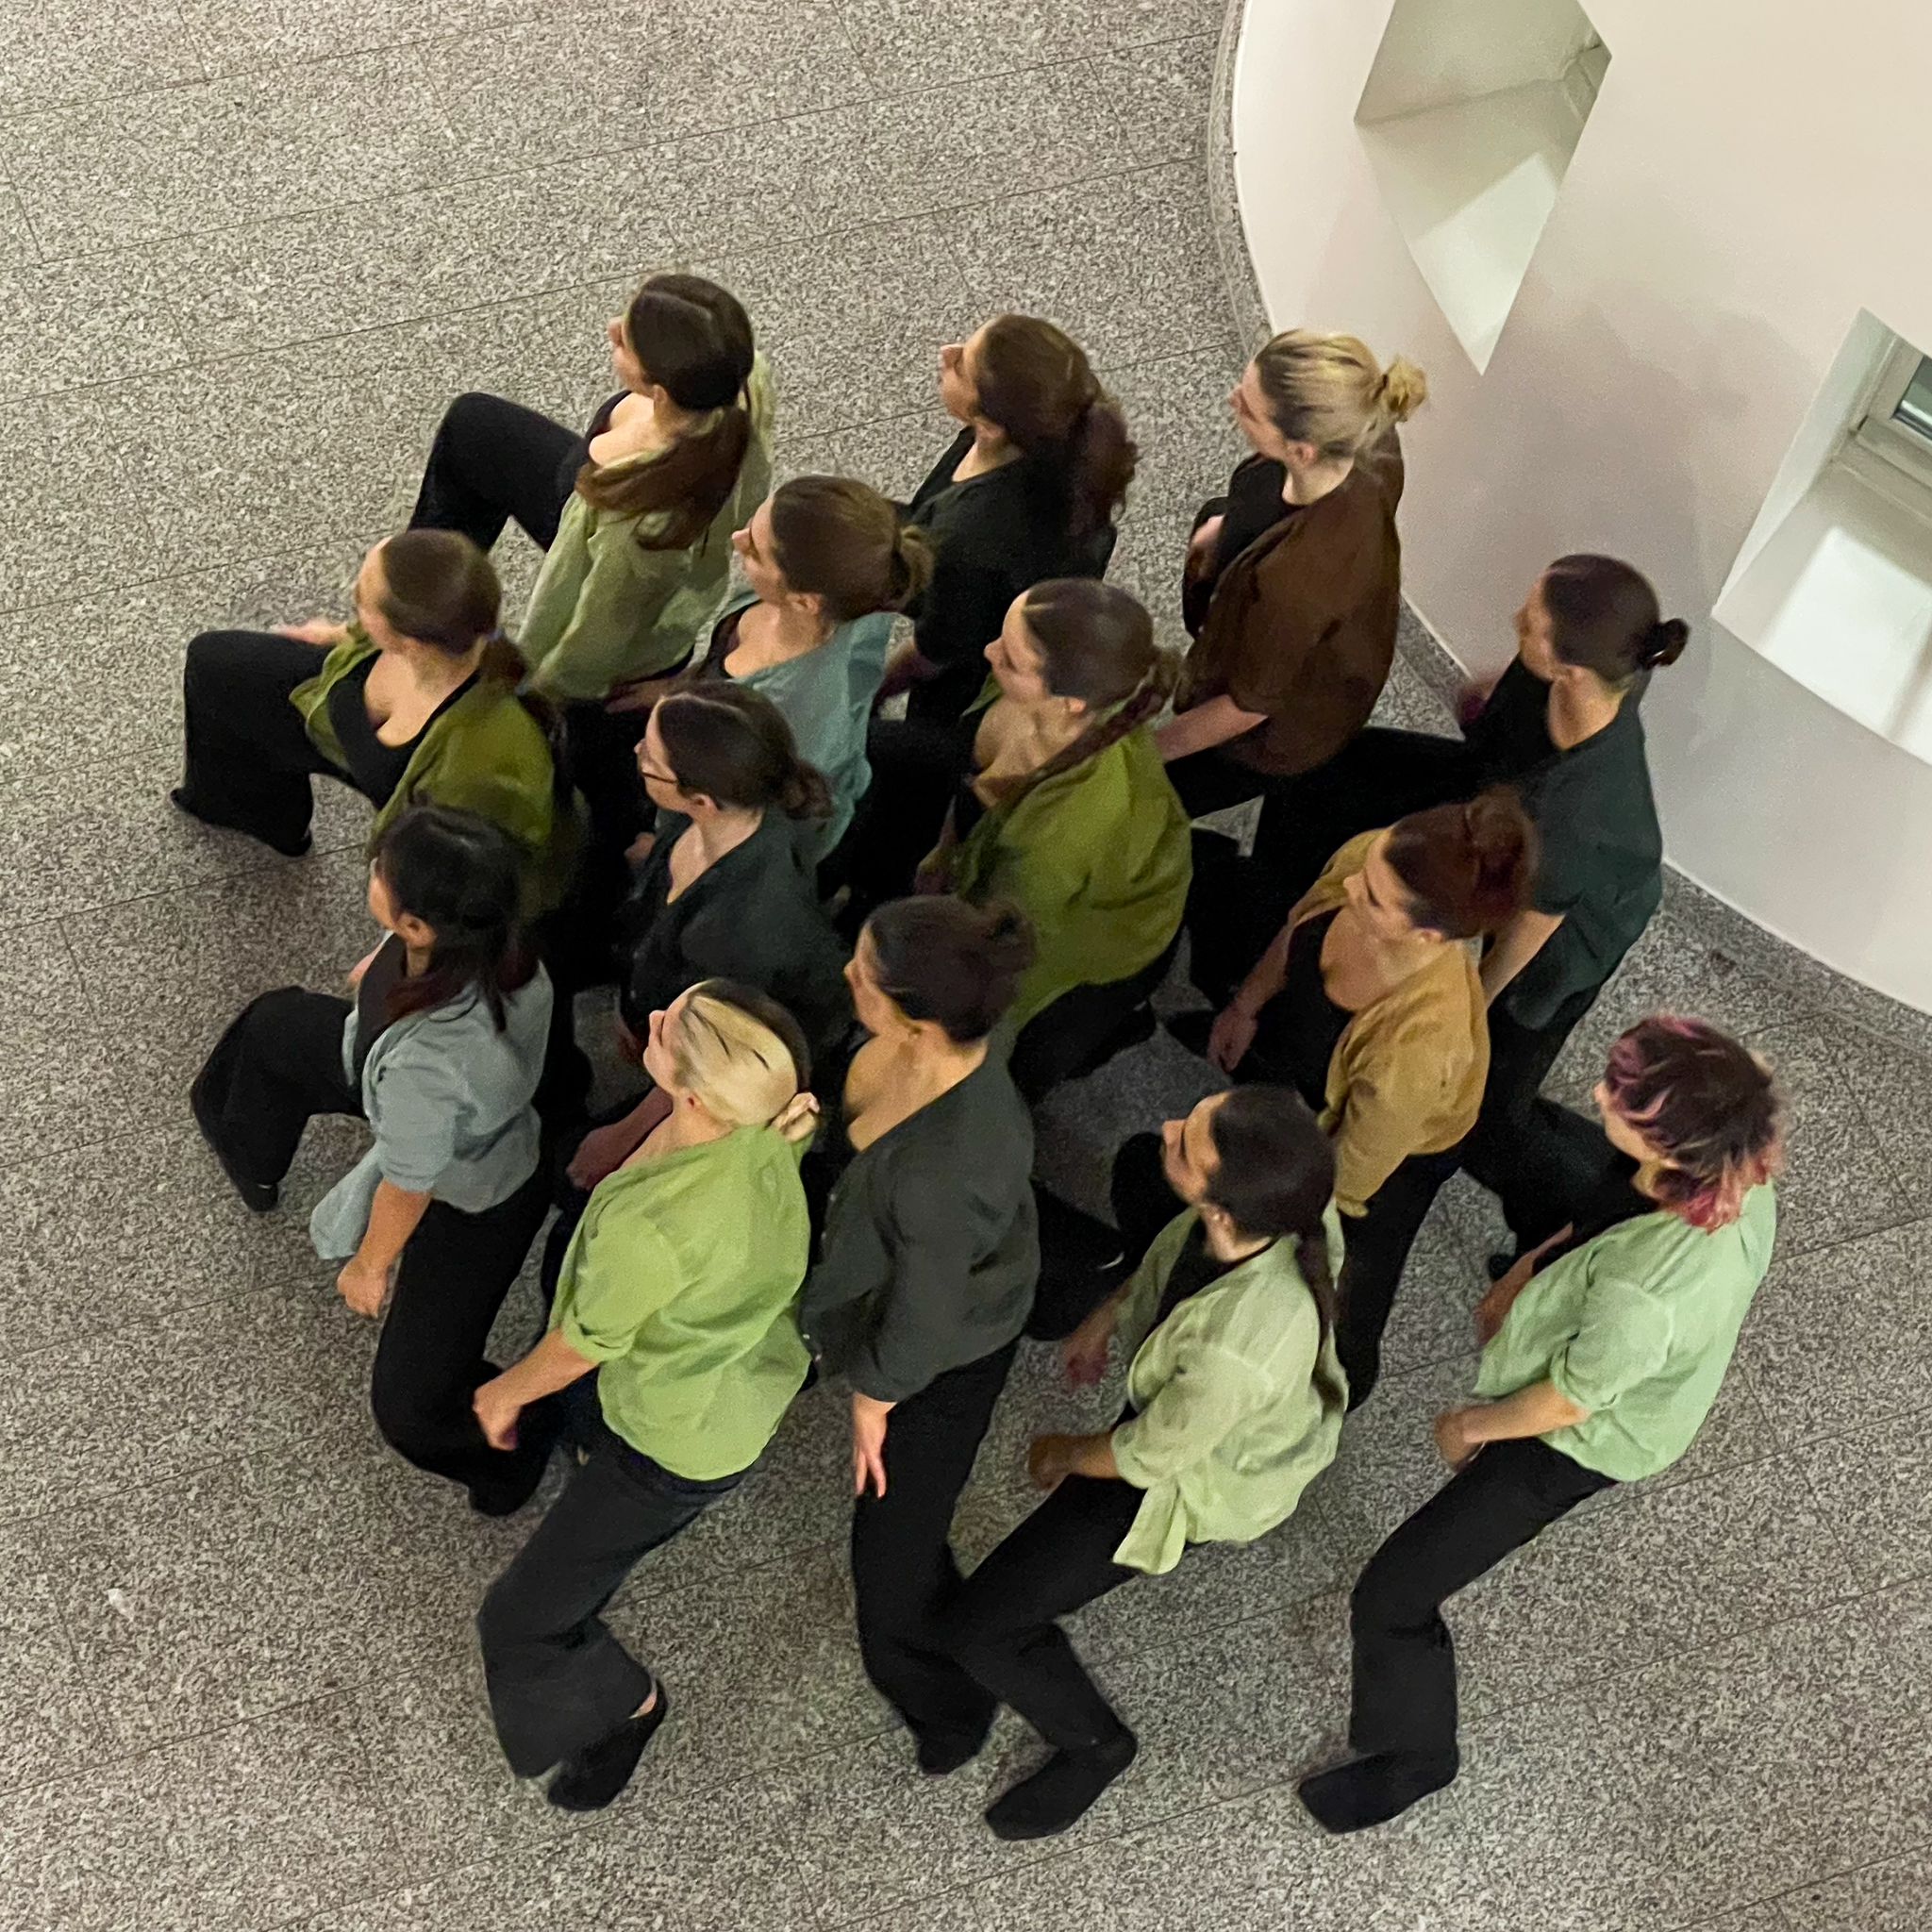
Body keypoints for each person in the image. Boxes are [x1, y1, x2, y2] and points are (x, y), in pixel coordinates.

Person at [1298, 1015, 1782, 1834]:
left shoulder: (1644, 1298)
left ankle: (1420, 1756)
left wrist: (1474, 1425)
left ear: (1669, 1143)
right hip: (1606, 1339)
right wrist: (1533, 1271)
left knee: (1393, 1593)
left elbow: (1568, 1402)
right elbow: (1604, 1212)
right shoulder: (1730, 1172)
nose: (1596, 1095)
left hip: (1578, 1441)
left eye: (1620, 1098)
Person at [941, 1087, 1346, 1839]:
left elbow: (1145, 1456)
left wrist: (1062, 1452)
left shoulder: (1238, 1350)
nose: (1166, 1125)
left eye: (1186, 1143)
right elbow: (1173, 1261)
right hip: (1186, 1425)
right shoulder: (1267, 1220)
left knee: (980, 1631)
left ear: (1224, 1206)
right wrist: (1108, 1315)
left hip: (1184, 1475)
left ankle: (1096, 1745)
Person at [473, 982, 821, 1810]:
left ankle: (629, 1705)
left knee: (518, 1619)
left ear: (695, 1096)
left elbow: (577, 1346)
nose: (656, 1018)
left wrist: (501, 1396)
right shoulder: (769, 1130)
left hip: (678, 1443)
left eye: (671, 1025)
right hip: (718, 1377)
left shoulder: (654, 1231)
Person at [191, 808, 556, 1514]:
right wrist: (385, 965)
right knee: (276, 1027)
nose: (372, 874)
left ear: (423, 928)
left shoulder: (428, 1067)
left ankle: (510, 1458)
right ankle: (248, 1148)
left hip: (476, 1192)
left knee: (410, 1406)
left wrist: (370, 1265)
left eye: (383, 875)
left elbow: (408, 1184)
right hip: (436, 1096)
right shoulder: (500, 946)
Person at [1343, 556, 1688, 1255]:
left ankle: (1583, 1218)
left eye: (1530, 624)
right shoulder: (1608, 673)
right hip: (1523, 837)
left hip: (1572, 936)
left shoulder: (1577, 813)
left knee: (1492, 1115)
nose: (1515, 623)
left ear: (1572, 672)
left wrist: (1468, 1003)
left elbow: (1533, 930)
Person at [410, 273, 773, 904]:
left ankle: (595, 887)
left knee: (591, 781)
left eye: (626, 340)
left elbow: (590, 638)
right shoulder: (736, 379)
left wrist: (534, 691)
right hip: (592, 525)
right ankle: (427, 590)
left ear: (658, 389)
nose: (611, 332)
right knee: (473, 427)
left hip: (613, 630)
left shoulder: (642, 529)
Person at [798, 896, 1040, 1774]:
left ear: (916, 1019)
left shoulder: (940, 1172)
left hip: (944, 1358)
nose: (846, 979)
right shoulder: (947, 1044)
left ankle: (948, 1706)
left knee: (889, 1566)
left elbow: (923, 1323)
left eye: (864, 976)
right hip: (923, 1289)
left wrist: (872, 1398)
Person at [1200, 794, 1539, 1404]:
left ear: (1430, 935)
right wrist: (1244, 1005)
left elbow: (1349, 1177)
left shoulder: (1421, 1045)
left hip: (1397, 1155)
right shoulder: (1374, 858)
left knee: (1355, 1285)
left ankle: (1334, 1390)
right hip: (1319, 1071)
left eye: (1376, 899)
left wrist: (1274, 1222)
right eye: (1369, 868)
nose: (1354, 884)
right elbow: (1300, 928)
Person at [848, 317, 1137, 904]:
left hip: (970, 682)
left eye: (962, 363)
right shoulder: (1034, 446)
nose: (945, 351)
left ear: (993, 422)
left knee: (907, 791)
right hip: (995, 618)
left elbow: (933, 654)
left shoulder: (974, 541)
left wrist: (871, 692)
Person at [174, 531, 578, 903]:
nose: (353, 594)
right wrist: (341, 635)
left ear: (409, 641)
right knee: (214, 666)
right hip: (346, 731)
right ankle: (260, 816)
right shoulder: (445, 636)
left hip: (410, 796)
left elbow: (467, 881)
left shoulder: (483, 765)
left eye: (363, 597)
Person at [561, 684, 852, 1193]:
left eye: (649, 759)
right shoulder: (730, 812)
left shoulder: (743, 931)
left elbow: (705, 1054)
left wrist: (622, 1136)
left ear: (701, 800)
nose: (636, 753)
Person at [1158, 330, 1426, 881]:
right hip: (1307, 660)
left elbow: (1247, 706)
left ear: (1301, 450)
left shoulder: (1295, 583)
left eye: (1249, 407)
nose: (1233, 399)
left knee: (1161, 795)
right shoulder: (1368, 438)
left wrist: (1147, 749)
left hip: (1276, 733)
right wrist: (1222, 532)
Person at [918, 579, 1191, 1101]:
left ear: (1069, 702)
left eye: (1011, 659)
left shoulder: (1066, 829)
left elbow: (1015, 945)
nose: (988, 652)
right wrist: (944, 851)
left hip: (1089, 929)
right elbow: (970, 788)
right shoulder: (1034, 694)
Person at [687, 475, 933, 862]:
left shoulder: (795, 716)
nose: (737, 540)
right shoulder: (854, 597)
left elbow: (784, 823)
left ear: (805, 601)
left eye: (754, 551)